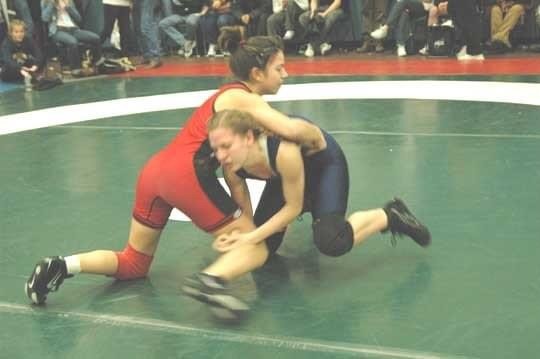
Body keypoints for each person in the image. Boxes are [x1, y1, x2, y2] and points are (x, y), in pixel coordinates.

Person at [24, 28, 326, 310]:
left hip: (155, 173)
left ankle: (62, 265)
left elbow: (234, 178)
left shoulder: (230, 99)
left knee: (133, 264)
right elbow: (291, 129)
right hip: (186, 175)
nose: (285, 74)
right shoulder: (241, 97)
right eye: (279, 68)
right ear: (257, 73)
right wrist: (320, 139)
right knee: (257, 246)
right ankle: (211, 282)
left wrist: (243, 221)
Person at [182, 109, 431, 316]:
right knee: (264, 246)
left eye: (226, 146)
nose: (221, 156)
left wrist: (250, 237)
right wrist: (244, 233)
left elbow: (293, 207)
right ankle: (214, 280)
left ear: (248, 137)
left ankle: (389, 215)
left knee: (332, 240)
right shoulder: (231, 167)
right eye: (216, 149)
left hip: (323, 167)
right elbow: (246, 215)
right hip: (285, 179)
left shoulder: (283, 150)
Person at [41, 0, 104, 75]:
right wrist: (52, 4)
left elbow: (78, 18)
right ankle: (75, 69)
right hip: (57, 30)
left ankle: (97, 63)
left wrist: (68, 7)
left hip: (73, 29)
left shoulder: (69, 1)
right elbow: (45, 18)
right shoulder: (45, 1)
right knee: (73, 42)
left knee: (95, 38)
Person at [0, 19, 43, 90]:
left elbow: (38, 54)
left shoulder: (28, 40)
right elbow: (8, 60)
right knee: (8, 66)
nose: (19, 34)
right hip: (11, 71)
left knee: (39, 61)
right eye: (16, 32)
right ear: (11, 33)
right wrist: (20, 69)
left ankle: (31, 74)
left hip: (25, 67)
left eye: (21, 31)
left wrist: (36, 65)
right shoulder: (6, 44)